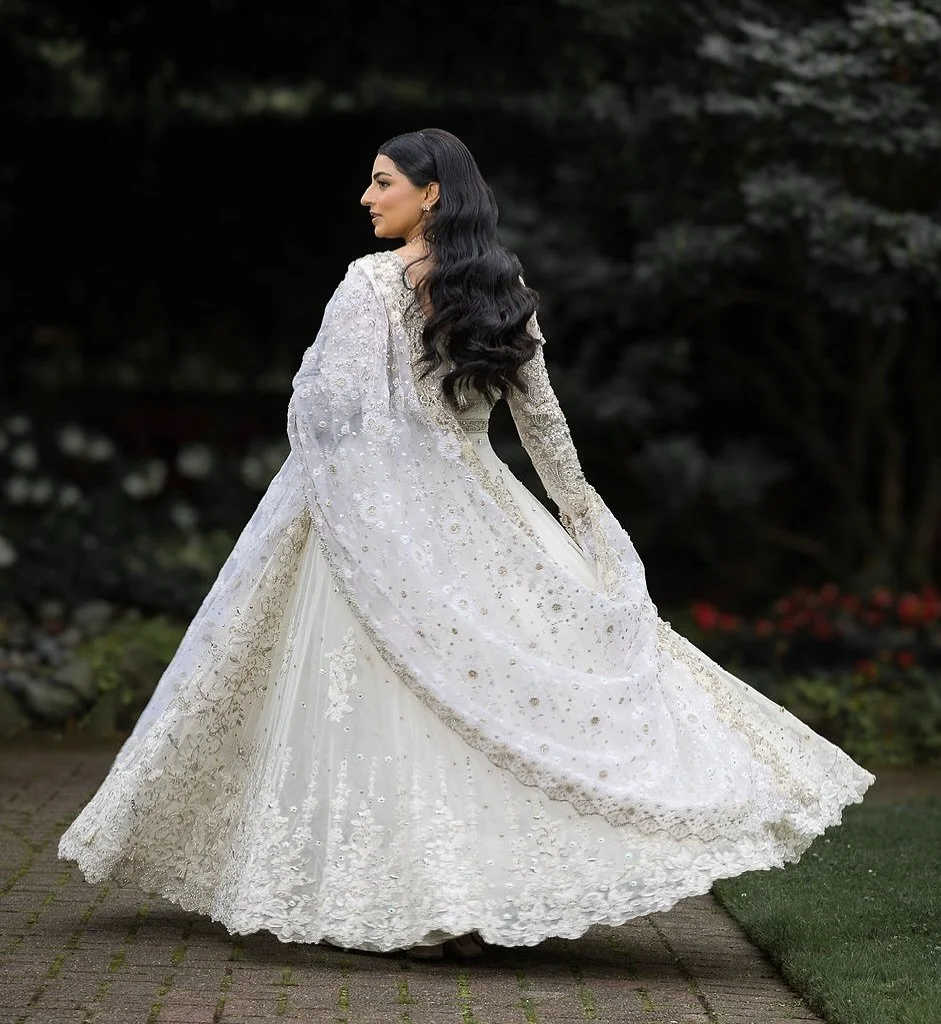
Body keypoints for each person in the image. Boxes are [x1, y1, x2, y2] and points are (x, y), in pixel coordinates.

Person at [59, 128, 874, 958]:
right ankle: (474, 900)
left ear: (432, 193)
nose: (367, 198)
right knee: (482, 702)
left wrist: (366, 510)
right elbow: (541, 419)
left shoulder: (370, 283)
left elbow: (326, 417)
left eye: (382, 183)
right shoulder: (499, 285)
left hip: (374, 514)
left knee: (396, 707)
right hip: (484, 512)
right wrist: (579, 514)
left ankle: (419, 903)